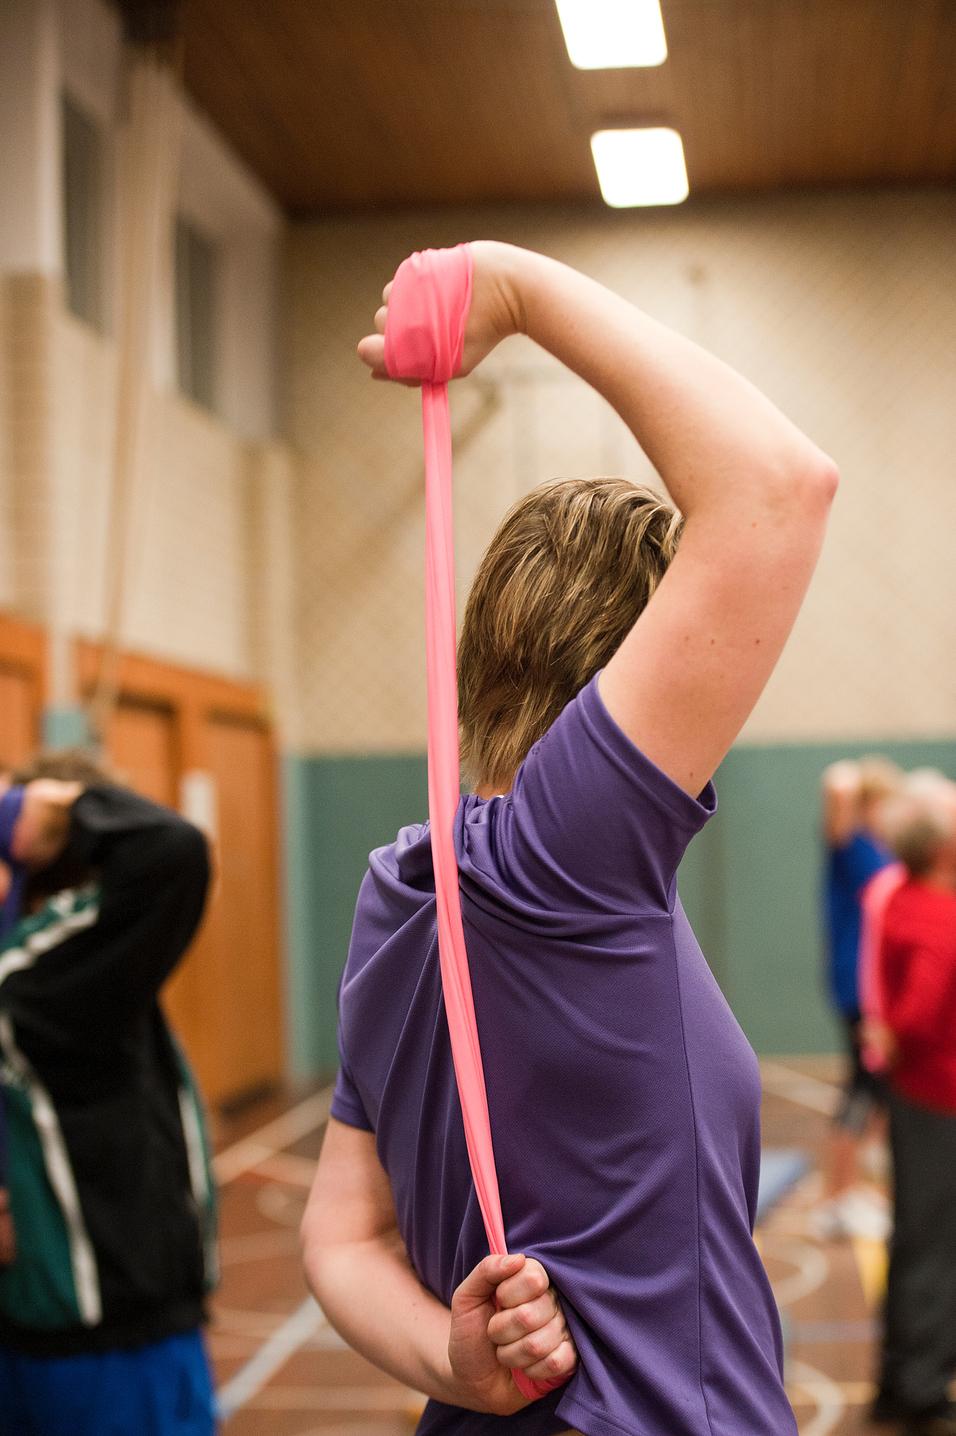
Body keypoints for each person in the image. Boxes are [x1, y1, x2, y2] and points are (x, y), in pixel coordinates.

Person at [301, 240, 837, 1435]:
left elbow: (339, 1232)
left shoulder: (402, 881)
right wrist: (516, 288)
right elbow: (776, 488)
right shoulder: (564, 854)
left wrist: (452, 1364)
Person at [0, 752, 217, 1436]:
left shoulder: (63, 977)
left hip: (105, 1337)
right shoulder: (35, 983)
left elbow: (168, 853)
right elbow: (172, 851)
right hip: (99, 1350)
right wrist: (47, 811)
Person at [870, 782, 956, 1435]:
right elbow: (919, 1014)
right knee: (933, 1245)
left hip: (916, 1096)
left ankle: (902, 1378)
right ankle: (921, 1387)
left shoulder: (902, 894)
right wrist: (897, 1032)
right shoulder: (938, 915)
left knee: (915, 1238)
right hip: (939, 1099)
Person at [816, 757, 899, 1239]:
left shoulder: (881, 851)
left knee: (877, 1090)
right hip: (856, 984)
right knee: (860, 1087)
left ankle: (856, 1190)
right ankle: (835, 1199)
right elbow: (837, 789)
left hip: (879, 985)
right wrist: (852, 781)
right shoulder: (849, 845)